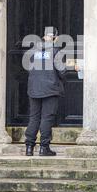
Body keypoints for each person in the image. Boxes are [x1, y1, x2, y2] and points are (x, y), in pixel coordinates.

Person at [25, 27, 66, 156]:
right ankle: (44, 147)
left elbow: (28, 68)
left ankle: (29, 147)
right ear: (56, 38)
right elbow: (62, 71)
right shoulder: (56, 52)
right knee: (46, 118)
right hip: (50, 89)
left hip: (34, 88)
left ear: (43, 37)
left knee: (34, 118)